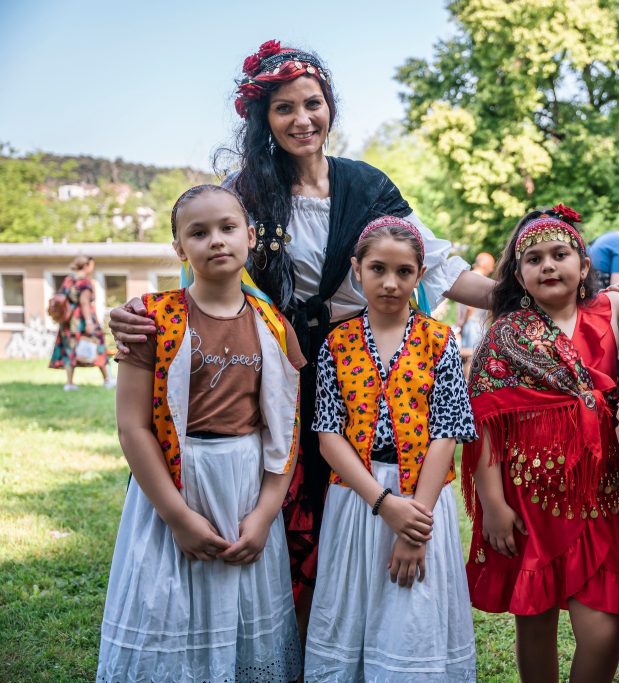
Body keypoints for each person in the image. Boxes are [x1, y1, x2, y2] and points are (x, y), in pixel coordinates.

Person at [108, 38, 495, 633]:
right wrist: (140, 316)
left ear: (329, 107)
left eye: (312, 103)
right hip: (272, 364)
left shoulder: (366, 187)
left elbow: (438, 266)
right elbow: (205, 270)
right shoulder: (244, 192)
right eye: (283, 107)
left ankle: (354, 630)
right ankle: (280, 637)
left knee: (348, 496)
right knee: (282, 501)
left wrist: (534, 297)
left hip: (354, 364)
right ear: (263, 118)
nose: (301, 119)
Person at [97, 185, 305, 682]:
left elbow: (285, 430)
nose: (216, 240)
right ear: (179, 248)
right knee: (169, 608)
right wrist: (177, 517)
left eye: (227, 227)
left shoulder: (275, 326)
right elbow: (132, 427)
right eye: (198, 232)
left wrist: (265, 514)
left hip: (246, 487)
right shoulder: (151, 320)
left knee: (243, 606)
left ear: (250, 236)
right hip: (175, 487)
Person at [463, 204, 619, 683]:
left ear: (584, 265)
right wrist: (493, 504)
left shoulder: (609, 311)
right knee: (535, 620)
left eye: (560, 254)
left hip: (593, 498)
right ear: (519, 275)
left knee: (603, 630)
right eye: (534, 259)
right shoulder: (504, 334)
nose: (548, 265)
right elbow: (486, 424)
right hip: (527, 502)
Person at [304, 216, 477, 681]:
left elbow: (446, 431)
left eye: (404, 272)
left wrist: (413, 526)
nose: (390, 282)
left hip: (423, 499)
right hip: (358, 499)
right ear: (356, 269)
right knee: (353, 609)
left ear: (420, 275)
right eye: (378, 268)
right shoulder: (337, 343)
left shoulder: (439, 340)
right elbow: (328, 434)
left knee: (412, 612)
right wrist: (384, 503)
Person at [49, 255, 115, 390]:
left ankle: (69, 383)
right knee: (98, 345)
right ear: (86, 265)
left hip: (68, 321)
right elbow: (84, 302)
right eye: (92, 265)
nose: (93, 268)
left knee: (70, 349)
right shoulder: (84, 282)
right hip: (82, 320)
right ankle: (107, 380)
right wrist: (89, 322)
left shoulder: (68, 280)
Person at [457, 251, 495, 377]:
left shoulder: (466, 277)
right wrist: (463, 323)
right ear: (484, 264)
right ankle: (469, 385)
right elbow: (469, 307)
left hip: (469, 323)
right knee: (472, 357)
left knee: (469, 357)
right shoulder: (478, 280)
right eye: (491, 266)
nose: (492, 269)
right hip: (473, 324)